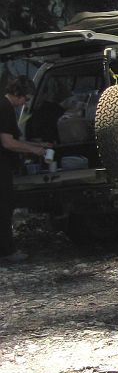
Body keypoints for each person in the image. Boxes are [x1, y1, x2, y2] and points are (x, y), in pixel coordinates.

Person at [1, 77, 51, 264]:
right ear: (18, 93)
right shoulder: (5, 109)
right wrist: (35, 150)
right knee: (4, 209)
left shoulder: (4, 107)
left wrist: (37, 144)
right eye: (26, 98)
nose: (26, 103)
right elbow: (8, 142)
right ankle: (7, 251)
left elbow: (13, 139)